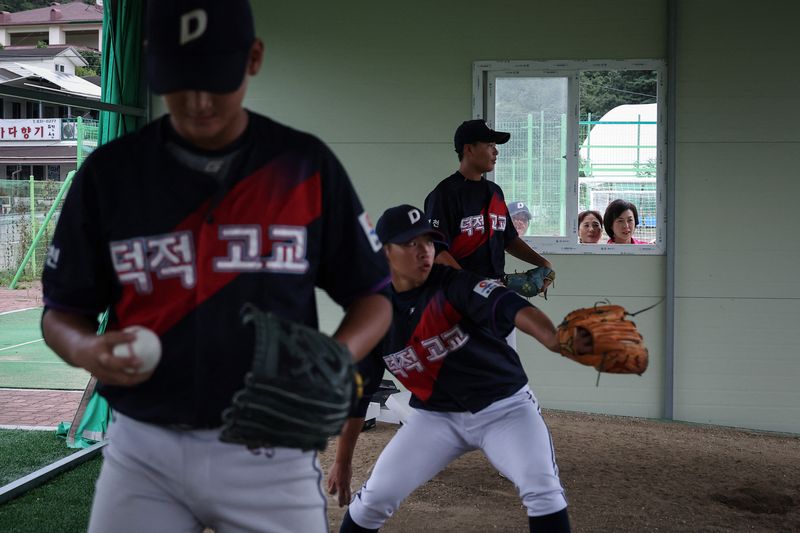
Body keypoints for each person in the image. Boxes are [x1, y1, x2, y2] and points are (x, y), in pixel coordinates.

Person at [40, 2, 391, 532]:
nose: (200, 101)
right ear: (152, 59)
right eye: (181, 79)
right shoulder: (110, 174)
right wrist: (85, 348)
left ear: (253, 58)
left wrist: (336, 359)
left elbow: (373, 295)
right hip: (143, 446)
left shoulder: (302, 165)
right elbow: (61, 312)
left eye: (215, 78)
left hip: (270, 447)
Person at [327, 204, 592, 533]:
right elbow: (359, 392)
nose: (424, 250)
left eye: (427, 241)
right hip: (435, 418)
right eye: (410, 243)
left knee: (542, 490)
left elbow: (510, 306)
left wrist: (554, 339)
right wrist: (343, 459)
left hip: (504, 408)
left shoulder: (455, 284)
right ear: (384, 253)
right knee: (373, 500)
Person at [424, 119, 552, 285]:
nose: (496, 152)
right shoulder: (445, 194)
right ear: (469, 149)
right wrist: (471, 286)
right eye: (490, 145)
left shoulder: (495, 192)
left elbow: (508, 239)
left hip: (493, 290)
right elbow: (436, 250)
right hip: (455, 293)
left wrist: (543, 264)